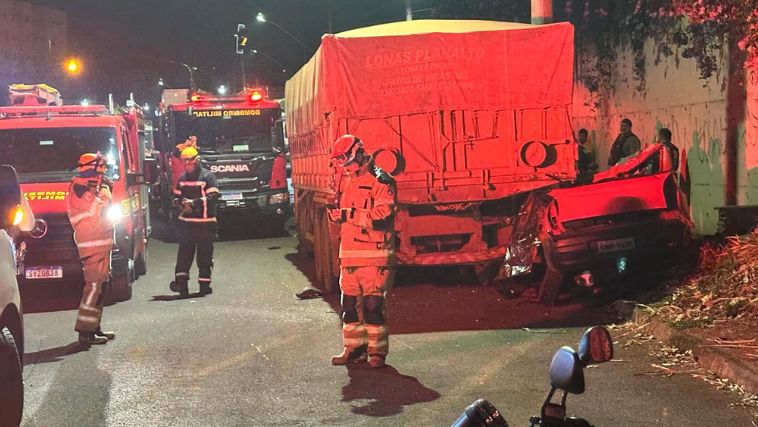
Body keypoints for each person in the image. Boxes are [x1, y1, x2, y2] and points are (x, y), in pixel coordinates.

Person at [327, 134, 397, 369]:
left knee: (372, 307)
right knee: (349, 307)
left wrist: (347, 216)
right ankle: (353, 348)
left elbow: (382, 218)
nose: (344, 167)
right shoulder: (346, 180)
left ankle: (376, 353)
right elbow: (346, 214)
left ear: (358, 153)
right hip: (349, 255)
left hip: (375, 257)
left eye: (346, 161)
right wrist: (336, 216)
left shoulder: (382, 181)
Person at [67, 153, 116, 347]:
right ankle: (85, 332)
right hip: (92, 243)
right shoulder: (80, 186)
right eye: (101, 166)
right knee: (94, 287)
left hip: (102, 241)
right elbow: (94, 208)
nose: (104, 170)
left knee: (102, 287)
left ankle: (94, 327)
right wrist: (104, 191)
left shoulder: (92, 184)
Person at [169, 142, 219, 297]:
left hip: (203, 224)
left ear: (197, 160)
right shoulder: (183, 178)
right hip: (190, 224)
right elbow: (176, 197)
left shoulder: (208, 176)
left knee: (202, 256)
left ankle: (203, 286)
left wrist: (193, 203)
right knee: (185, 256)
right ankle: (182, 286)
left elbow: (213, 196)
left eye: (189, 161)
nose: (186, 165)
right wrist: (179, 203)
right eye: (184, 162)